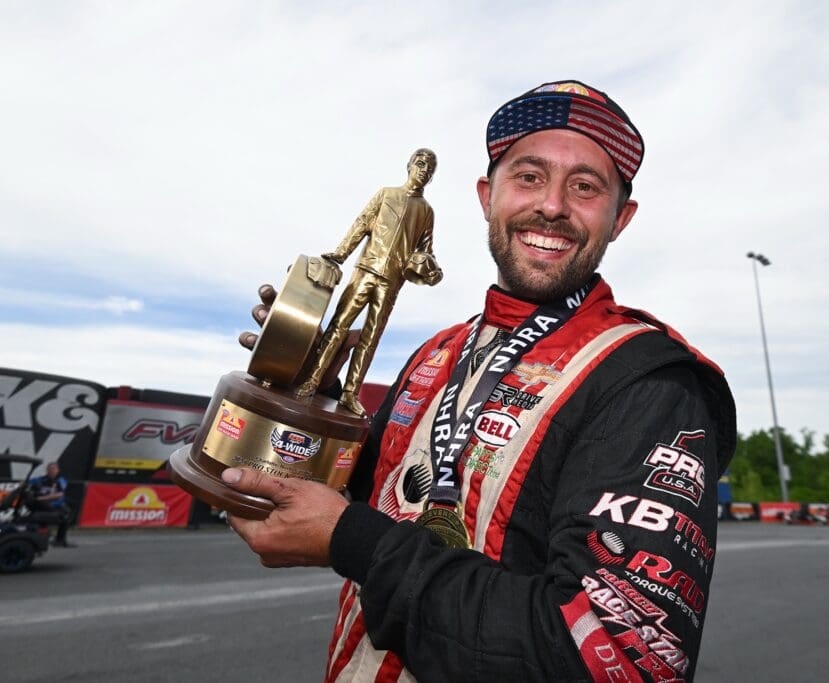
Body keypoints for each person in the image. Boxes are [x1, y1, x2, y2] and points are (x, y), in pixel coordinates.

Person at [227, 80, 736, 682]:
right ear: (486, 196)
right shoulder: (437, 353)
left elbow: (621, 660)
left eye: (585, 187)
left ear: (620, 219)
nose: (552, 205)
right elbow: (359, 498)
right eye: (529, 176)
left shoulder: (650, 382)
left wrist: (353, 541)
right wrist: (306, 391)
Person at [296, 148, 442, 417]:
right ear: (409, 165)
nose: (423, 171)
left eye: (429, 169)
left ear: (431, 177)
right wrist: (341, 253)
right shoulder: (387, 194)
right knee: (338, 326)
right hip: (365, 270)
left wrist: (432, 271)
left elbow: (426, 251)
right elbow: (362, 224)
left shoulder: (426, 211)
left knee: (370, 338)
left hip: (392, 282)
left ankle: (350, 393)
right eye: (420, 164)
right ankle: (311, 380)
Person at [29, 461, 74, 547]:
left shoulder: (60, 480)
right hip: (42, 505)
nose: (52, 470)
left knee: (66, 516)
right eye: (50, 469)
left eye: (54, 469)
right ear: (47, 470)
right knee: (41, 518)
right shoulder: (40, 479)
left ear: (58, 470)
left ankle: (60, 540)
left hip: (56, 505)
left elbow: (59, 494)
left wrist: (42, 498)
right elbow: (27, 483)